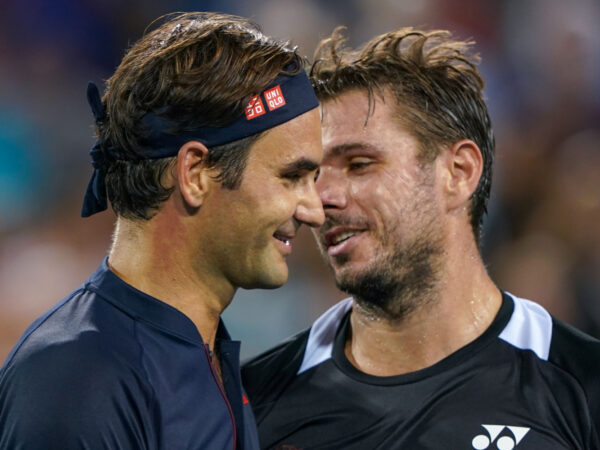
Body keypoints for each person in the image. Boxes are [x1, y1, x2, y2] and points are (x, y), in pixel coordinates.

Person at [242, 27, 600, 449]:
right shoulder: (253, 401)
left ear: (459, 173)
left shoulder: (582, 385)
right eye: (315, 173)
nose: (321, 201)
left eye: (359, 164)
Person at [0, 12, 324, 450]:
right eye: (291, 177)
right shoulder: (81, 377)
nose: (315, 210)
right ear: (194, 173)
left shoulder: (199, 353)